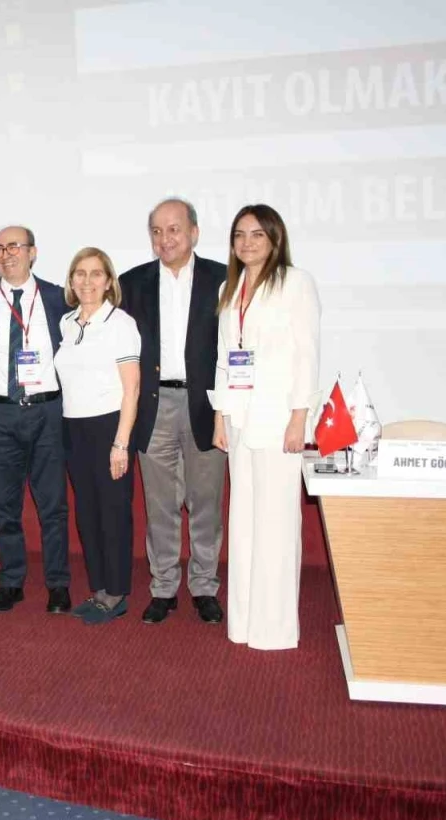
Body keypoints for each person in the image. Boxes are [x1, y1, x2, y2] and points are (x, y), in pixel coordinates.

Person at [209, 204, 320, 651]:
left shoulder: (296, 282)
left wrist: (300, 417)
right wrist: (220, 416)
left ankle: (274, 628)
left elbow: (307, 354)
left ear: (275, 238)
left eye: (257, 234)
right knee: (244, 523)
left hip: (278, 421)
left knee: (275, 524)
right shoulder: (229, 287)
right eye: (239, 234)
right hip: (239, 419)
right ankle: (243, 623)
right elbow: (225, 357)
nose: (247, 242)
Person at [119, 199, 229, 626]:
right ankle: (163, 586)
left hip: (207, 405)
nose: (165, 239)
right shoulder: (132, 283)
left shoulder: (224, 280)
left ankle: (204, 586)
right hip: (153, 404)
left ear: (194, 233)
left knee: (206, 503)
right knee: (160, 504)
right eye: (157, 231)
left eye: (174, 229)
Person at [0, 225, 72, 615]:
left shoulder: (59, 298)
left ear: (33, 252)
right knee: (4, 506)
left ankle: (58, 583)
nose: (6, 254)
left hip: (47, 412)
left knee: (53, 507)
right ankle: (11, 581)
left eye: (14, 246)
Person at [53, 248, 141, 624]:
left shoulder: (120, 323)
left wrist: (121, 443)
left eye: (95, 274)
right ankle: (100, 589)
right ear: (71, 281)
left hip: (109, 427)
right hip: (73, 428)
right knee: (87, 513)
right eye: (80, 273)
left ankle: (117, 593)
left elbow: (132, 389)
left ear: (108, 282)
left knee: (113, 512)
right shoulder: (66, 322)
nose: (87, 281)